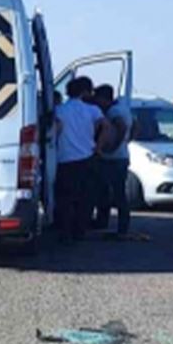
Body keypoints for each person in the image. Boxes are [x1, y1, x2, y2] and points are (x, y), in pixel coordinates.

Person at [53, 76, 106, 242]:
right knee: (86, 199)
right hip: (88, 157)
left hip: (65, 159)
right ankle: (80, 230)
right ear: (85, 92)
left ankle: (65, 231)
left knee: (65, 198)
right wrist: (98, 146)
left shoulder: (59, 110)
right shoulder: (93, 110)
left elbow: (56, 129)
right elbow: (106, 126)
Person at [91, 84, 132, 235]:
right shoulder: (123, 108)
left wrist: (114, 146)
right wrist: (127, 142)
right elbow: (135, 126)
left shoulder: (113, 111)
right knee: (108, 191)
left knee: (116, 193)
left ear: (104, 99)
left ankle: (120, 227)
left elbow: (121, 126)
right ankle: (105, 221)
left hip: (114, 158)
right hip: (121, 156)